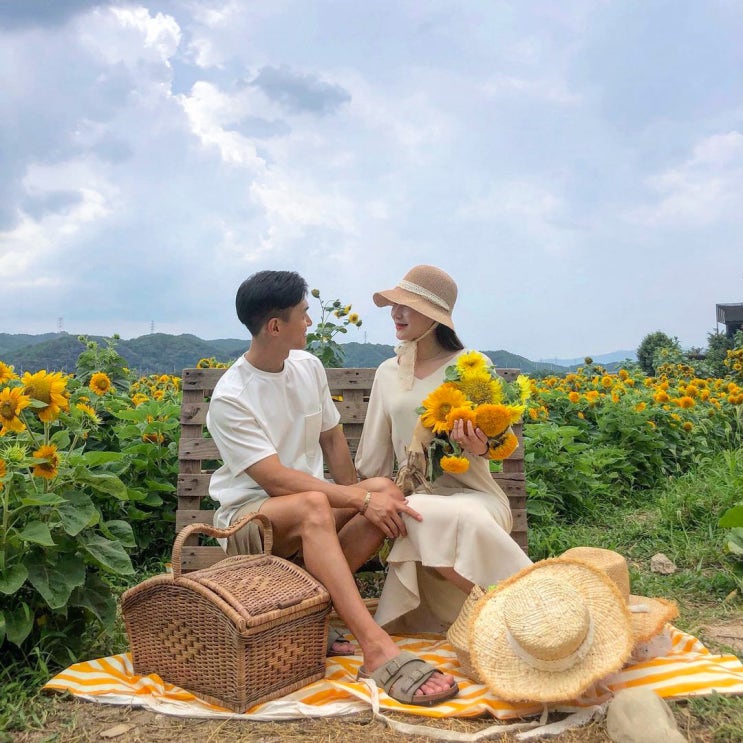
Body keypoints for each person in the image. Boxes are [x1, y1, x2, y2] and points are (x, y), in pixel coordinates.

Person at [206, 269, 458, 706]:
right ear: (275, 326)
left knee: (385, 491)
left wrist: (366, 500)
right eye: (303, 314)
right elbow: (275, 480)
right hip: (247, 523)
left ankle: (311, 620)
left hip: (311, 507)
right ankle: (376, 648)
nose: (310, 321)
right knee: (320, 506)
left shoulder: (307, 366)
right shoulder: (232, 397)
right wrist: (358, 499)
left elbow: (332, 439)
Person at [355, 265, 533, 634]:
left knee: (421, 512)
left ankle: (521, 609)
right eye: (394, 305)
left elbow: (500, 443)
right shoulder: (388, 373)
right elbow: (372, 459)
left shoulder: (472, 367)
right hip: (413, 499)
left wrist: (480, 446)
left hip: (475, 495)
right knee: (415, 509)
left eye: (408, 306)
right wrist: (368, 500)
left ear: (435, 318)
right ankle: (517, 607)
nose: (396, 313)